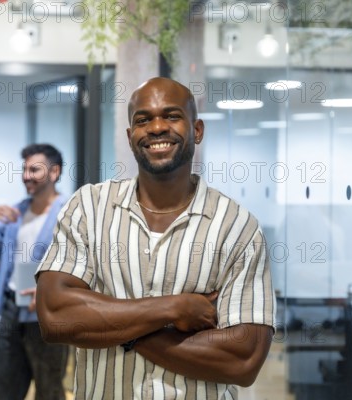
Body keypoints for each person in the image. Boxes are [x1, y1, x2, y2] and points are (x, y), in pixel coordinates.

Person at [35, 77, 276, 399]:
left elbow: (242, 360)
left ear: (198, 130)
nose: (157, 127)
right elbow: (56, 318)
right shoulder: (89, 207)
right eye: (143, 120)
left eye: (172, 116)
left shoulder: (237, 227)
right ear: (130, 136)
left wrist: (113, 327)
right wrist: (174, 309)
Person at [0, 144, 69, 400]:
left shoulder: (69, 213)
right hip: (12, 309)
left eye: (34, 169)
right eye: (24, 169)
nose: (26, 175)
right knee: (3, 386)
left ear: (54, 172)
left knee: (48, 388)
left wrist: (51, 291)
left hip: (48, 313)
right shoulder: (17, 212)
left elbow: (82, 262)